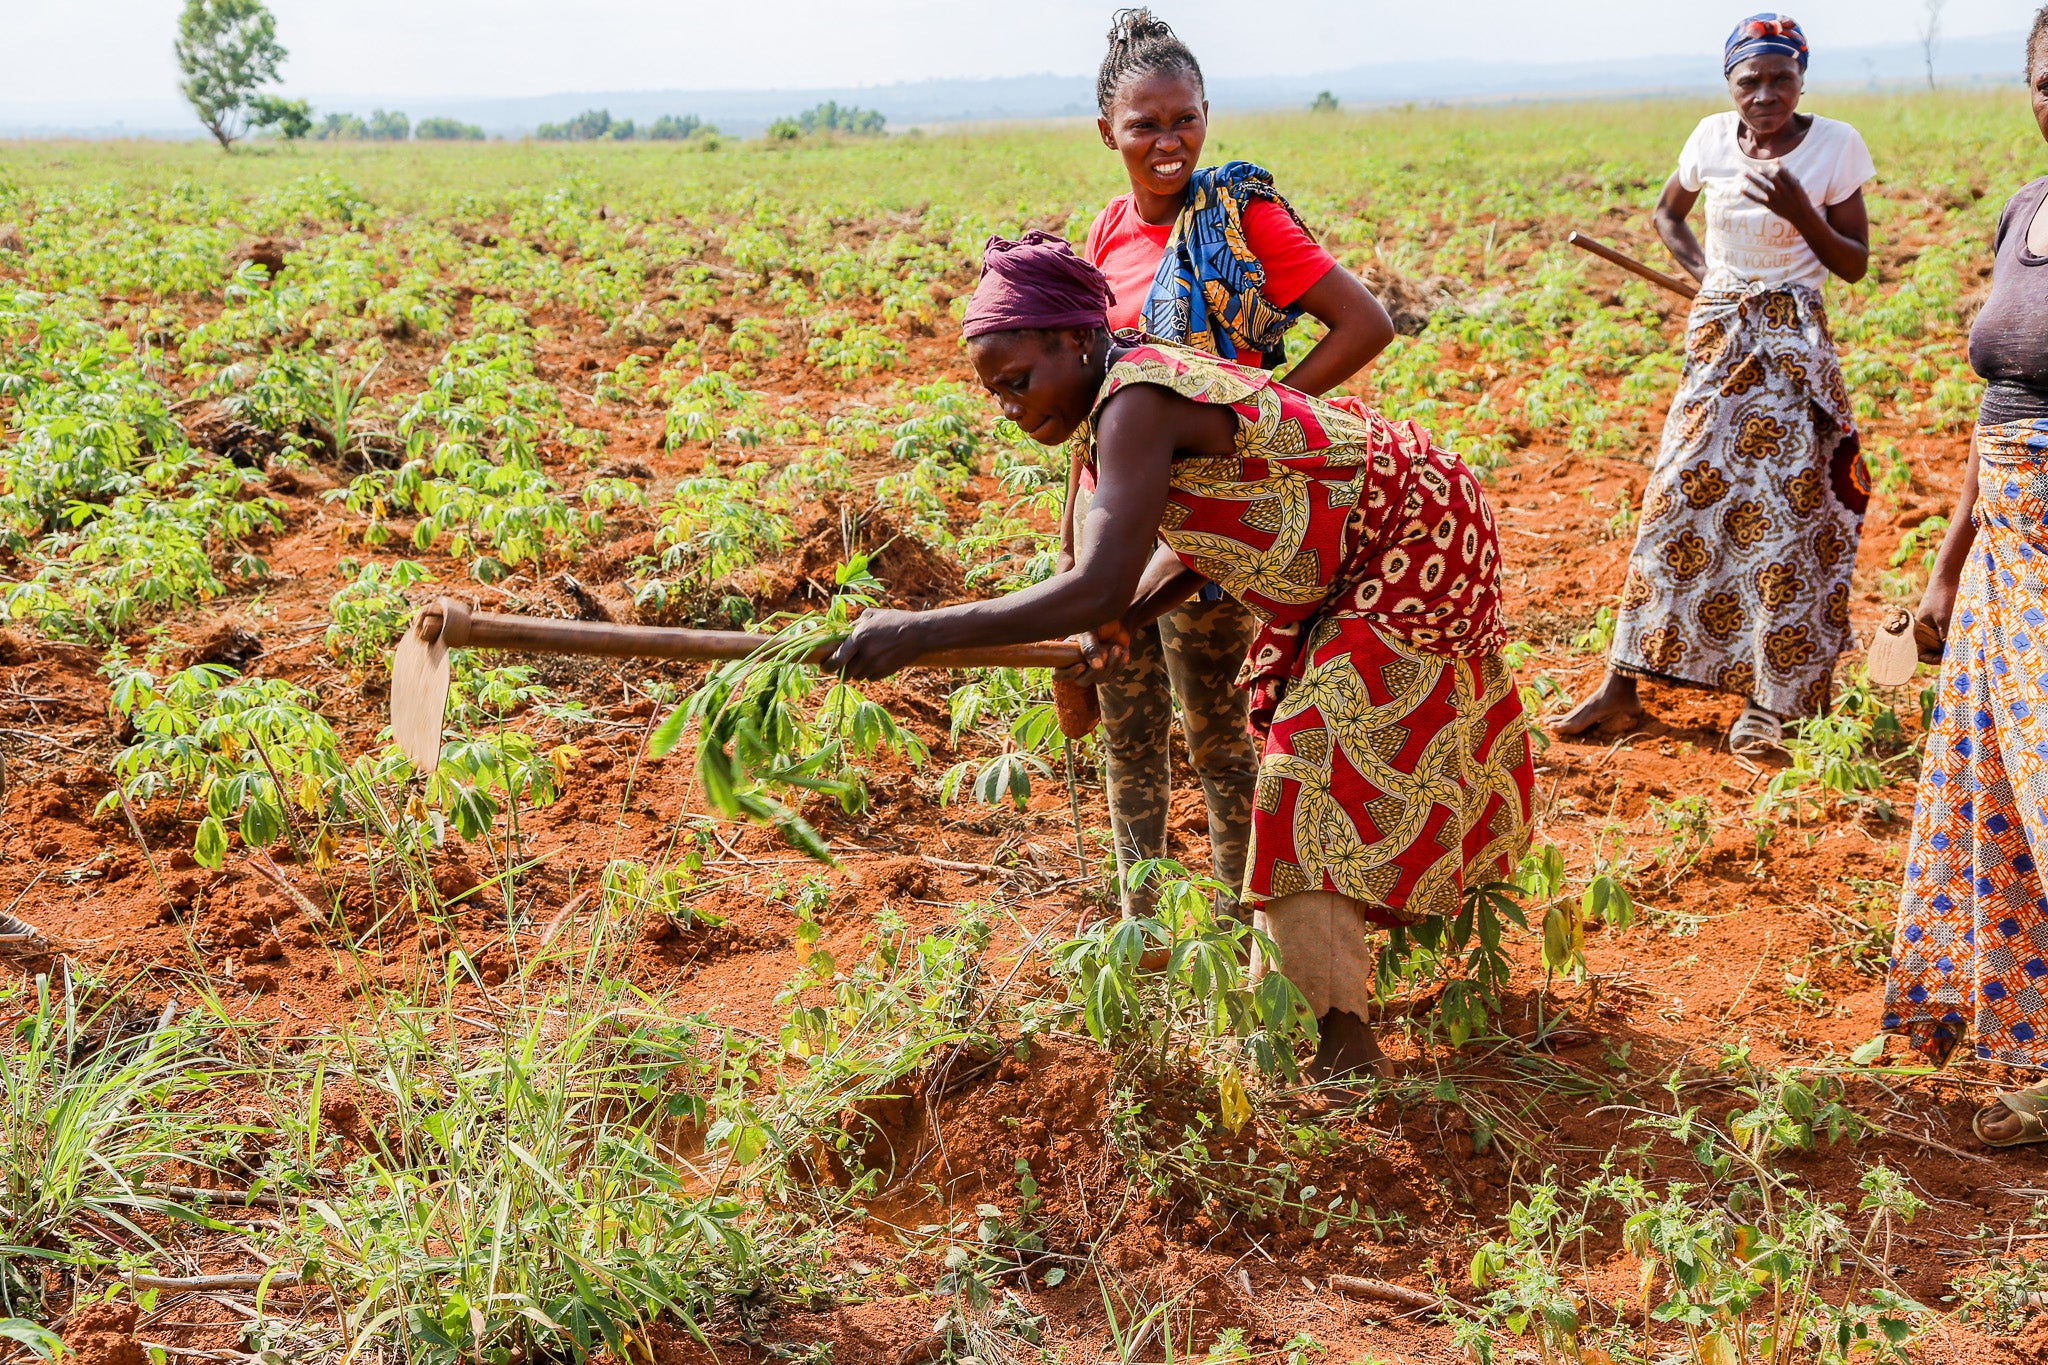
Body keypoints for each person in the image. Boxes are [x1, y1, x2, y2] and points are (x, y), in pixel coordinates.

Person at [826, 232, 1531, 1081]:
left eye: (1019, 382)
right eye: (994, 394)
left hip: (1410, 537)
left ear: (1076, 339)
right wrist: (1128, 617)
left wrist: (916, 631)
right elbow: (1184, 543)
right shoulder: (1123, 394)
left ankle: (1339, 1042)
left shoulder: (1136, 403)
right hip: (1355, 551)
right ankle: (1303, 1012)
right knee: (1311, 754)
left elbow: (1094, 583)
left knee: (1308, 764)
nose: (1010, 408)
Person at [1066, 8, 1394, 916]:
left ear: (1207, 113)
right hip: (1117, 527)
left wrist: (1263, 420)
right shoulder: (1104, 234)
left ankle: (1241, 950)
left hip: (1216, 529)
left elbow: (1365, 323)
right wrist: (1074, 548)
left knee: (1221, 744)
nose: (1169, 142)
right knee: (1128, 739)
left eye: (1185, 119)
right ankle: (1142, 936)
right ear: (1107, 134)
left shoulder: (1242, 217)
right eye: (1145, 125)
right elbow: (1097, 398)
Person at [1554, 13, 1874, 755]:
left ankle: (1771, 700)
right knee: (1671, 501)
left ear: (1802, 78)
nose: (1766, 94)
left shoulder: (1836, 146)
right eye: (1749, 81)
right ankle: (1622, 683)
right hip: (1719, 344)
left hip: (1793, 353)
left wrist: (1802, 213)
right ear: (1729, 84)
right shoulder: (1707, 138)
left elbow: (1854, 262)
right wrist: (1711, 284)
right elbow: (1667, 214)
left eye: (1780, 79)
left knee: (1787, 515)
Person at [1883, 8, 2048, 1147]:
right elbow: (1992, 416)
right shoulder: (2024, 212)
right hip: (2005, 550)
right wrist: (1945, 574)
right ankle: (2028, 1041)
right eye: (2046, 78)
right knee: (1995, 794)